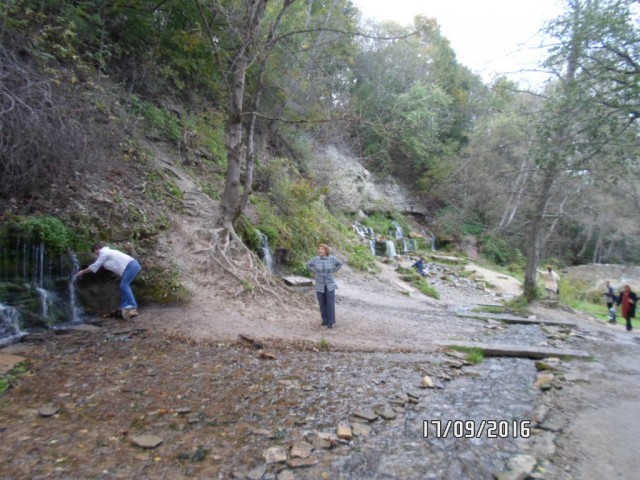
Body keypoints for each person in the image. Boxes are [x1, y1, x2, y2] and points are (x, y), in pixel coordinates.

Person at [75, 242, 142, 320]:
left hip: (132, 266)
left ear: (97, 249)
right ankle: (124, 305)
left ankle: (132, 304)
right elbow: (117, 265)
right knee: (123, 285)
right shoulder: (108, 252)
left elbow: (95, 266)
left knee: (124, 285)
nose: (96, 255)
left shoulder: (104, 253)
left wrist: (82, 272)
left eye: (95, 252)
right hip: (131, 266)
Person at [306, 244, 343, 329]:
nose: (320, 251)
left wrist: (333, 270)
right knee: (322, 303)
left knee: (330, 303)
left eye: (322, 249)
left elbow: (340, 263)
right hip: (319, 284)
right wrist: (315, 270)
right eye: (319, 249)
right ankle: (324, 320)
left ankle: (331, 322)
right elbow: (308, 264)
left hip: (330, 284)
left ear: (326, 251)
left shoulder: (332, 259)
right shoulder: (316, 259)